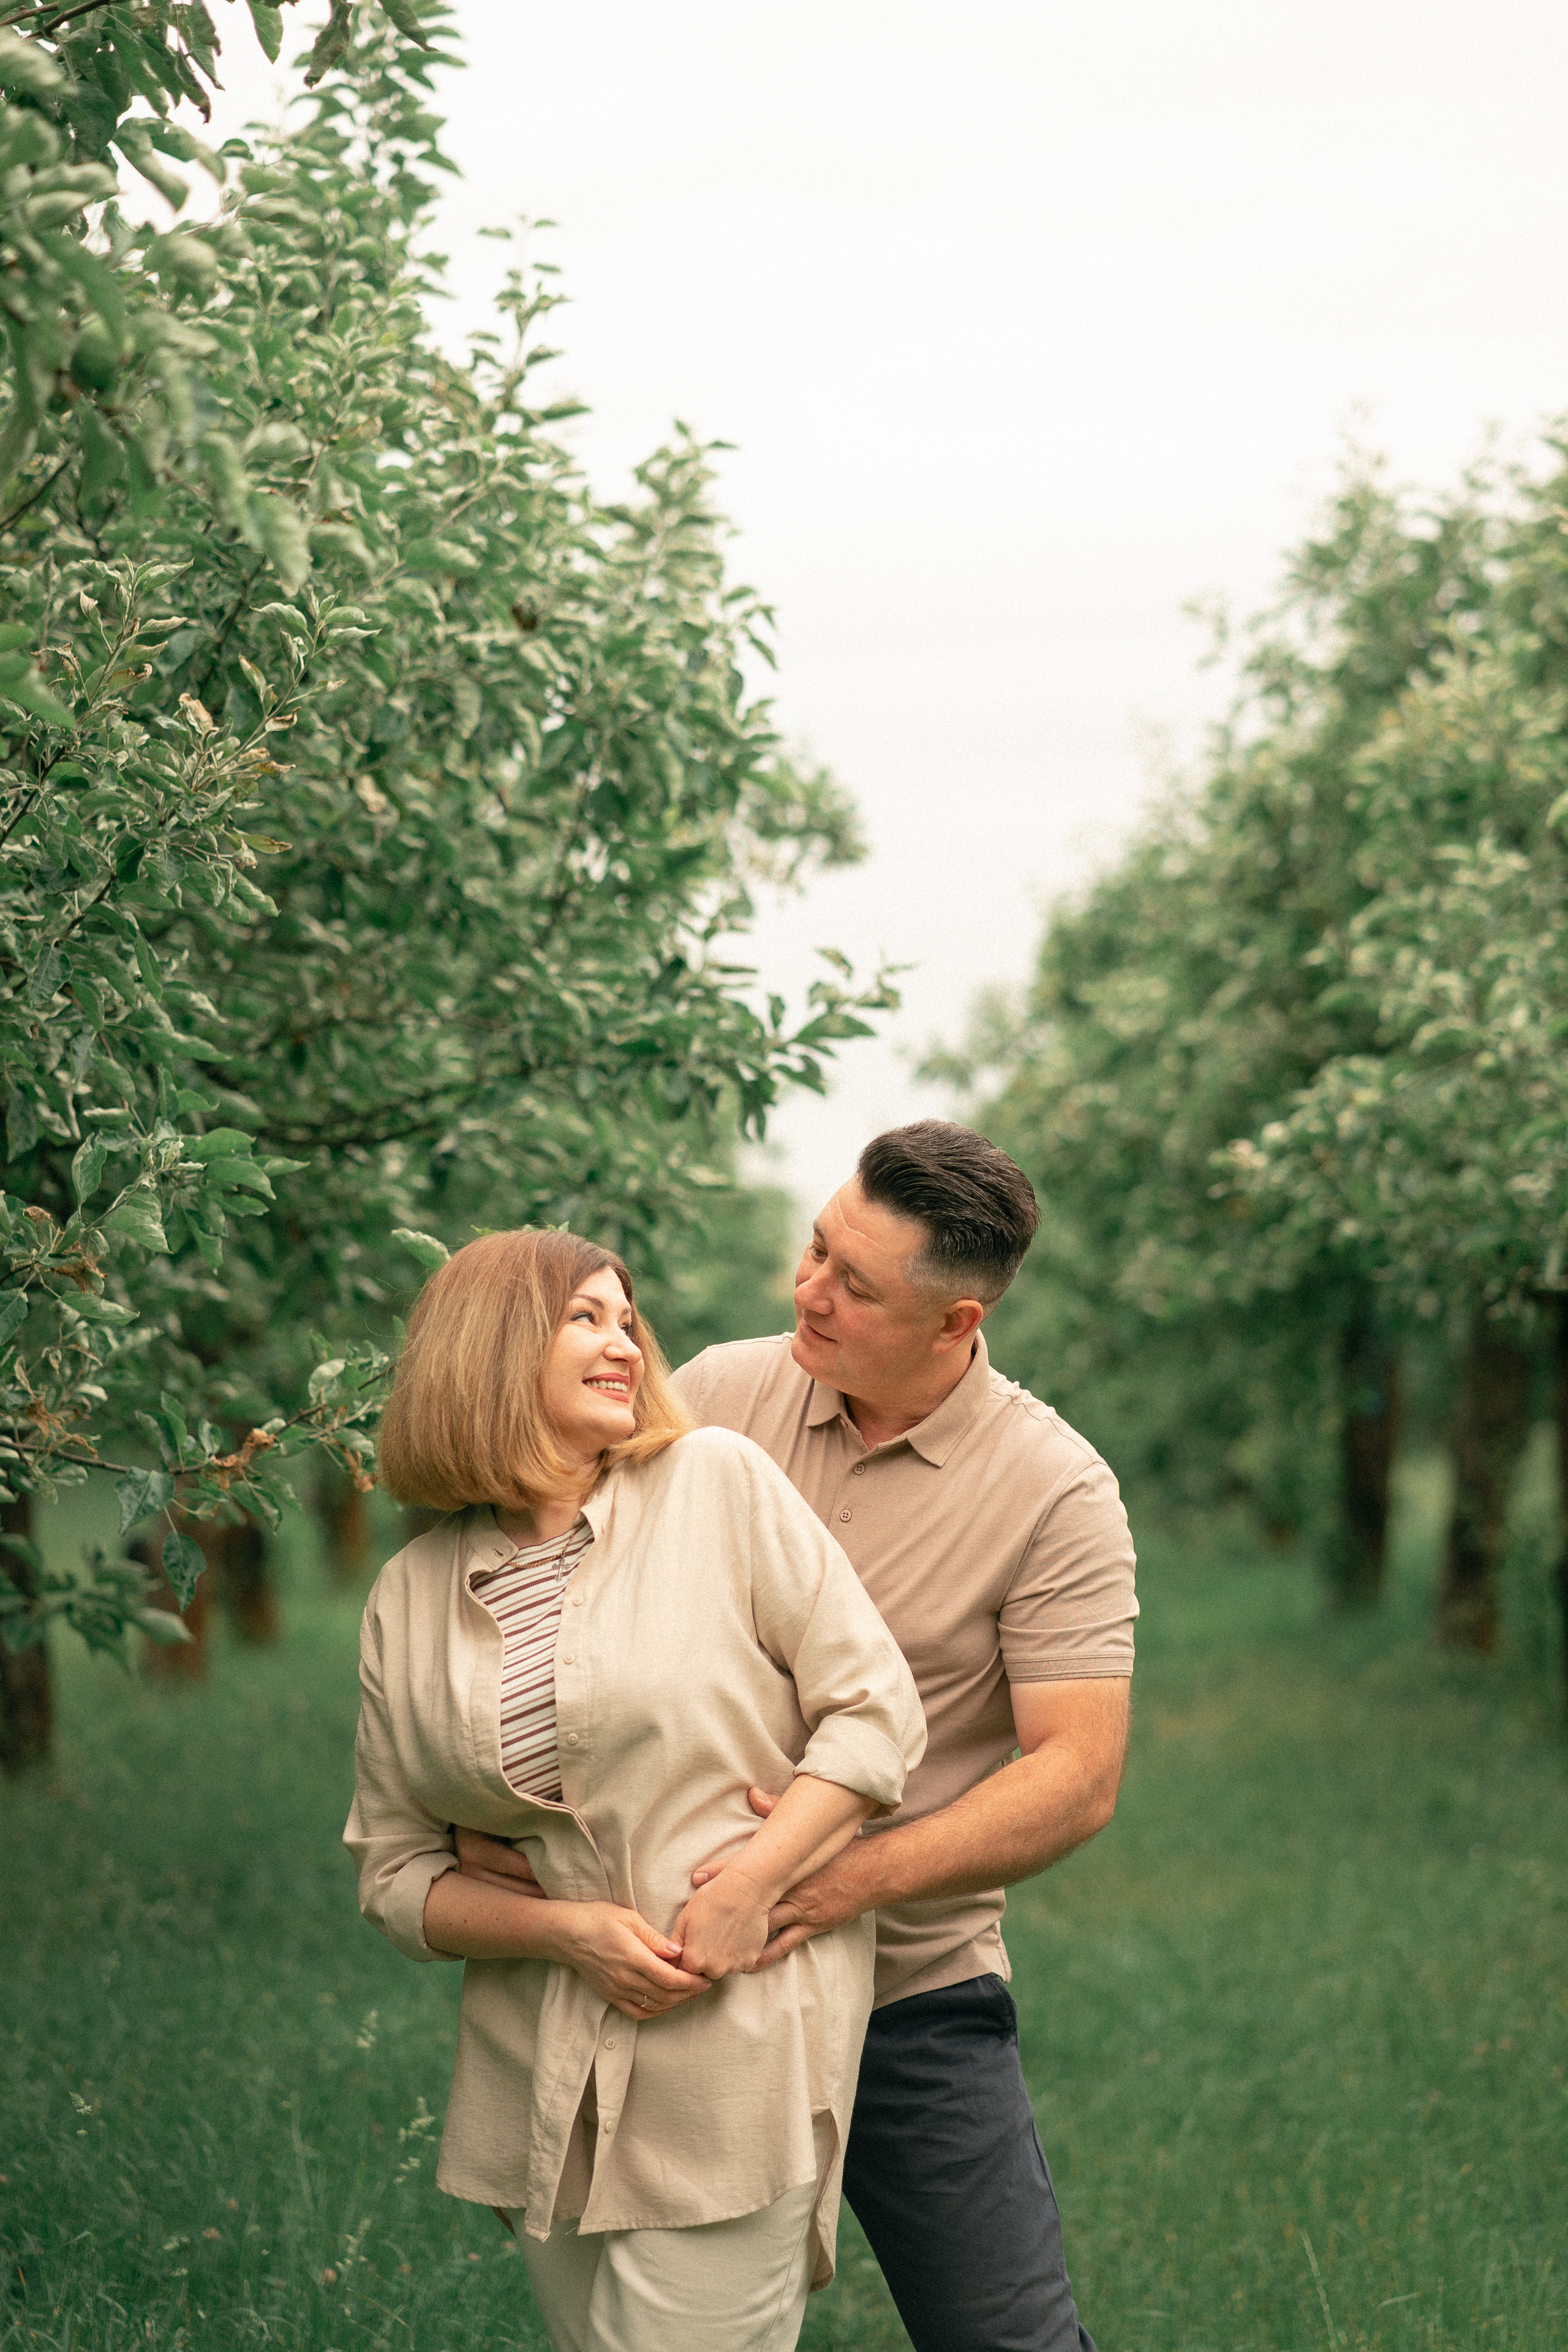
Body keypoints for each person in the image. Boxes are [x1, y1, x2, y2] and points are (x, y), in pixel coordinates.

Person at [457, 1122, 1137, 2352]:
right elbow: (540, 1597)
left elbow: (1075, 1776)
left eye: (854, 1285)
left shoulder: (1057, 1493)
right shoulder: (714, 1394)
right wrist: (481, 1808)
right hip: (672, 1983)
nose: (807, 1292)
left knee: (1007, 2342)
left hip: (907, 1989)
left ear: (956, 1323)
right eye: (815, 1249)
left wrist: (821, 1887)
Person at [344, 1226, 925, 2352]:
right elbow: (394, 1873)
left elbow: (876, 1710)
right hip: (540, 2054)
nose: (625, 1344)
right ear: (491, 1350)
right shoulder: (408, 1593)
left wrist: (757, 1879)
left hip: (733, 2027)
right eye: (585, 1319)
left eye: (627, 1319)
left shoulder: (715, 1484)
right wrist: (563, 1931)